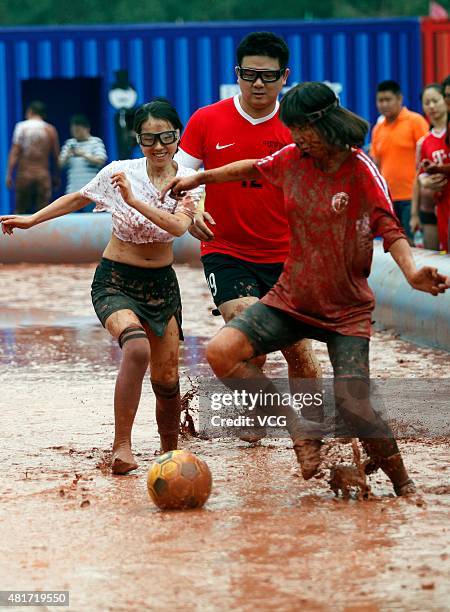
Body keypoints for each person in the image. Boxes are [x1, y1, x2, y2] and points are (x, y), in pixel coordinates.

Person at [162, 82, 450, 496]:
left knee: (355, 404)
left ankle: (404, 486)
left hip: (346, 310)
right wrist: (199, 178)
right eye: (292, 130)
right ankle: (295, 423)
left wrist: (410, 273)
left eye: (302, 130)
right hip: (292, 297)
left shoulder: (360, 170)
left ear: (326, 123)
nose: (296, 139)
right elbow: (250, 167)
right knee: (221, 352)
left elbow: (390, 227)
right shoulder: (292, 159)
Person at [0, 98, 203, 475]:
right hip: (115, 280)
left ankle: (170, 456)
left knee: (168, 378)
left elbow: (178, 227)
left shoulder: (189, 183)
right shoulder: (119, 171)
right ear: (137, 140)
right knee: (137, 348)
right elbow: (78, 198)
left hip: (162, 285)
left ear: (178, 137)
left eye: (166, 137)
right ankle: (122, 447)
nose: (158, 146)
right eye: (148, 138)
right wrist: (32, 220)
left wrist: (131, 201)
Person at [175, 31, 322, 437]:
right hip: (227, 250)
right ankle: (280, 422)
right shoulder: (206, 119)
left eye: (268, 76)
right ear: (236, 74)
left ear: (284, 77)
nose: (258, 84)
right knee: (247, 328)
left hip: (287, 255)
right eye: (249, 74)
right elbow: (183, 177)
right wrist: (193, 211)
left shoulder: (299, 127)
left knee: (299, 351)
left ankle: (312, 432)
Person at [370, 80, 429, 244]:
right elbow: (376, 164)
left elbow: (427, 157)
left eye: (388, 99)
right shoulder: (378, 129)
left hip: (412, 198)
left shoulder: (415, 121)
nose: (384, 104)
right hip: (388, 200)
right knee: (395, 244)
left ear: (399, 99)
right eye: (380, 100)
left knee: (415, 246)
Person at [411, 84, 450, 251]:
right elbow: (420, 177)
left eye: (435, 100)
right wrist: (426, 182)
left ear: (445, 101)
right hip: (442, 205)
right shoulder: (424, 142)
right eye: (427, 102)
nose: (432, 106)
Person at [5, 100, 60, 214]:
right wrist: (56, 176)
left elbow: (15, 152)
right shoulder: (50, 129)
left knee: (20, 211)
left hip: (24, 175)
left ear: (30, 111)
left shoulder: (21, 127)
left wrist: (9, 174)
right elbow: (55, 156)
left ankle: (18, 232)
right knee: (43, 213)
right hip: (42, 176)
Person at [59, 114, 107, 212]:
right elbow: (60, 165)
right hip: (72, 192)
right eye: (73, 130)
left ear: (86, 129)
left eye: (78, 130)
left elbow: (101, 160)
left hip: (91, 192)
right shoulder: (69, 143)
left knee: (91, 221)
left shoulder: (96, 142)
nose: (75, 133)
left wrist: (84, 154)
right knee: (72, 222)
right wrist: (67, 155)